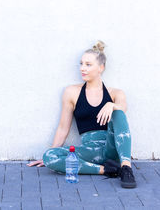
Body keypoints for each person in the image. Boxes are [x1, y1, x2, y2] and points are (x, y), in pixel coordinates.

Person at [26, 40, 136, 188]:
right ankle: (106, 170)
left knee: (118, 112)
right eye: (81, 64)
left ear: (101, 68)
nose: (82, 68)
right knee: (49, 156)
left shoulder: (116, 93)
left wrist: (111, 104)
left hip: (112, 149)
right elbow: (63, 128)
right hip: (89, 151)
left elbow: (122, 111)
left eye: (88, 65)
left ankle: (126, 168)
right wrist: (53, 151)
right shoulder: (72, 92)